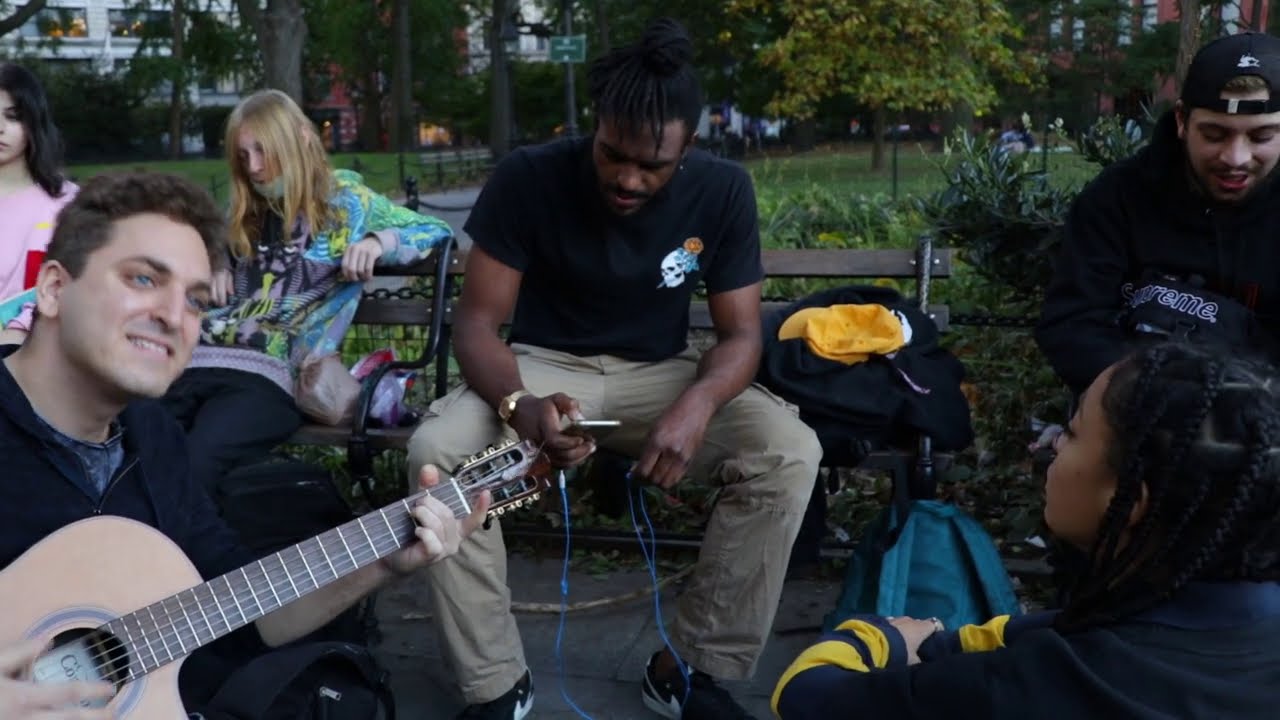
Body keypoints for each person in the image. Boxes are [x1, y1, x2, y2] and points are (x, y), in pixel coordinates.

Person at [406, 17, 822, 720]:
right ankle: (495, 682)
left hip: (661, 371)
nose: (628, 177)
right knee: (437, 453)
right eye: (612, 155)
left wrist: (696, 407)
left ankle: (688, 668)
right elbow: (477, 325)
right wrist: (518, 407)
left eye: (651, 165)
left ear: (689, 144)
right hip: (538, 367)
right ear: (595, 128)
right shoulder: (529, 178)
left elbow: (741, 336)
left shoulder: (722, 192)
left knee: (789, 452)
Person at [0, 171, 488, 710]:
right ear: (52, 290)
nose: (172, 316)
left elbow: (248, 619)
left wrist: (385, 560)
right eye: (142, 279)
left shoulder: (153, 437)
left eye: (196, 300)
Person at [772, 341, 1280, 719]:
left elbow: (806, 698)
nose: (1052, 447)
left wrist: (873, 636)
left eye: (1074, 433)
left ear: (1128, 500)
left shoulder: (1037, 685)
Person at [161, 89, 454, 492]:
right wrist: (212, 263)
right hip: (195, 362)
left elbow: (436, 231)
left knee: (198, 460)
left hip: (272, 374)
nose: (255, 168)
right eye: (244, 156)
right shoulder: (244, 212)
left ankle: (179, 554)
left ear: (300, 138)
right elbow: (195, 250)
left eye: (264, 152)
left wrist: (375, 242)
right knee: (135, 445)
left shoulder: (347, 204)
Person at [1037, 31, 1280, 397]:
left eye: (1261, 137)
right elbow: (1073, 325)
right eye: (1214, 135)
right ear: (1182, 120)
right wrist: (1163, 398)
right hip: (1135, 408)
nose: (1236, 158)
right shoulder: (1116, 198)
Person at [0, 63, 77, 345]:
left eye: (12, 116)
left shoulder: (68, 203)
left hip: (42, 354)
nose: (0, 128)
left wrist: (16, 329)